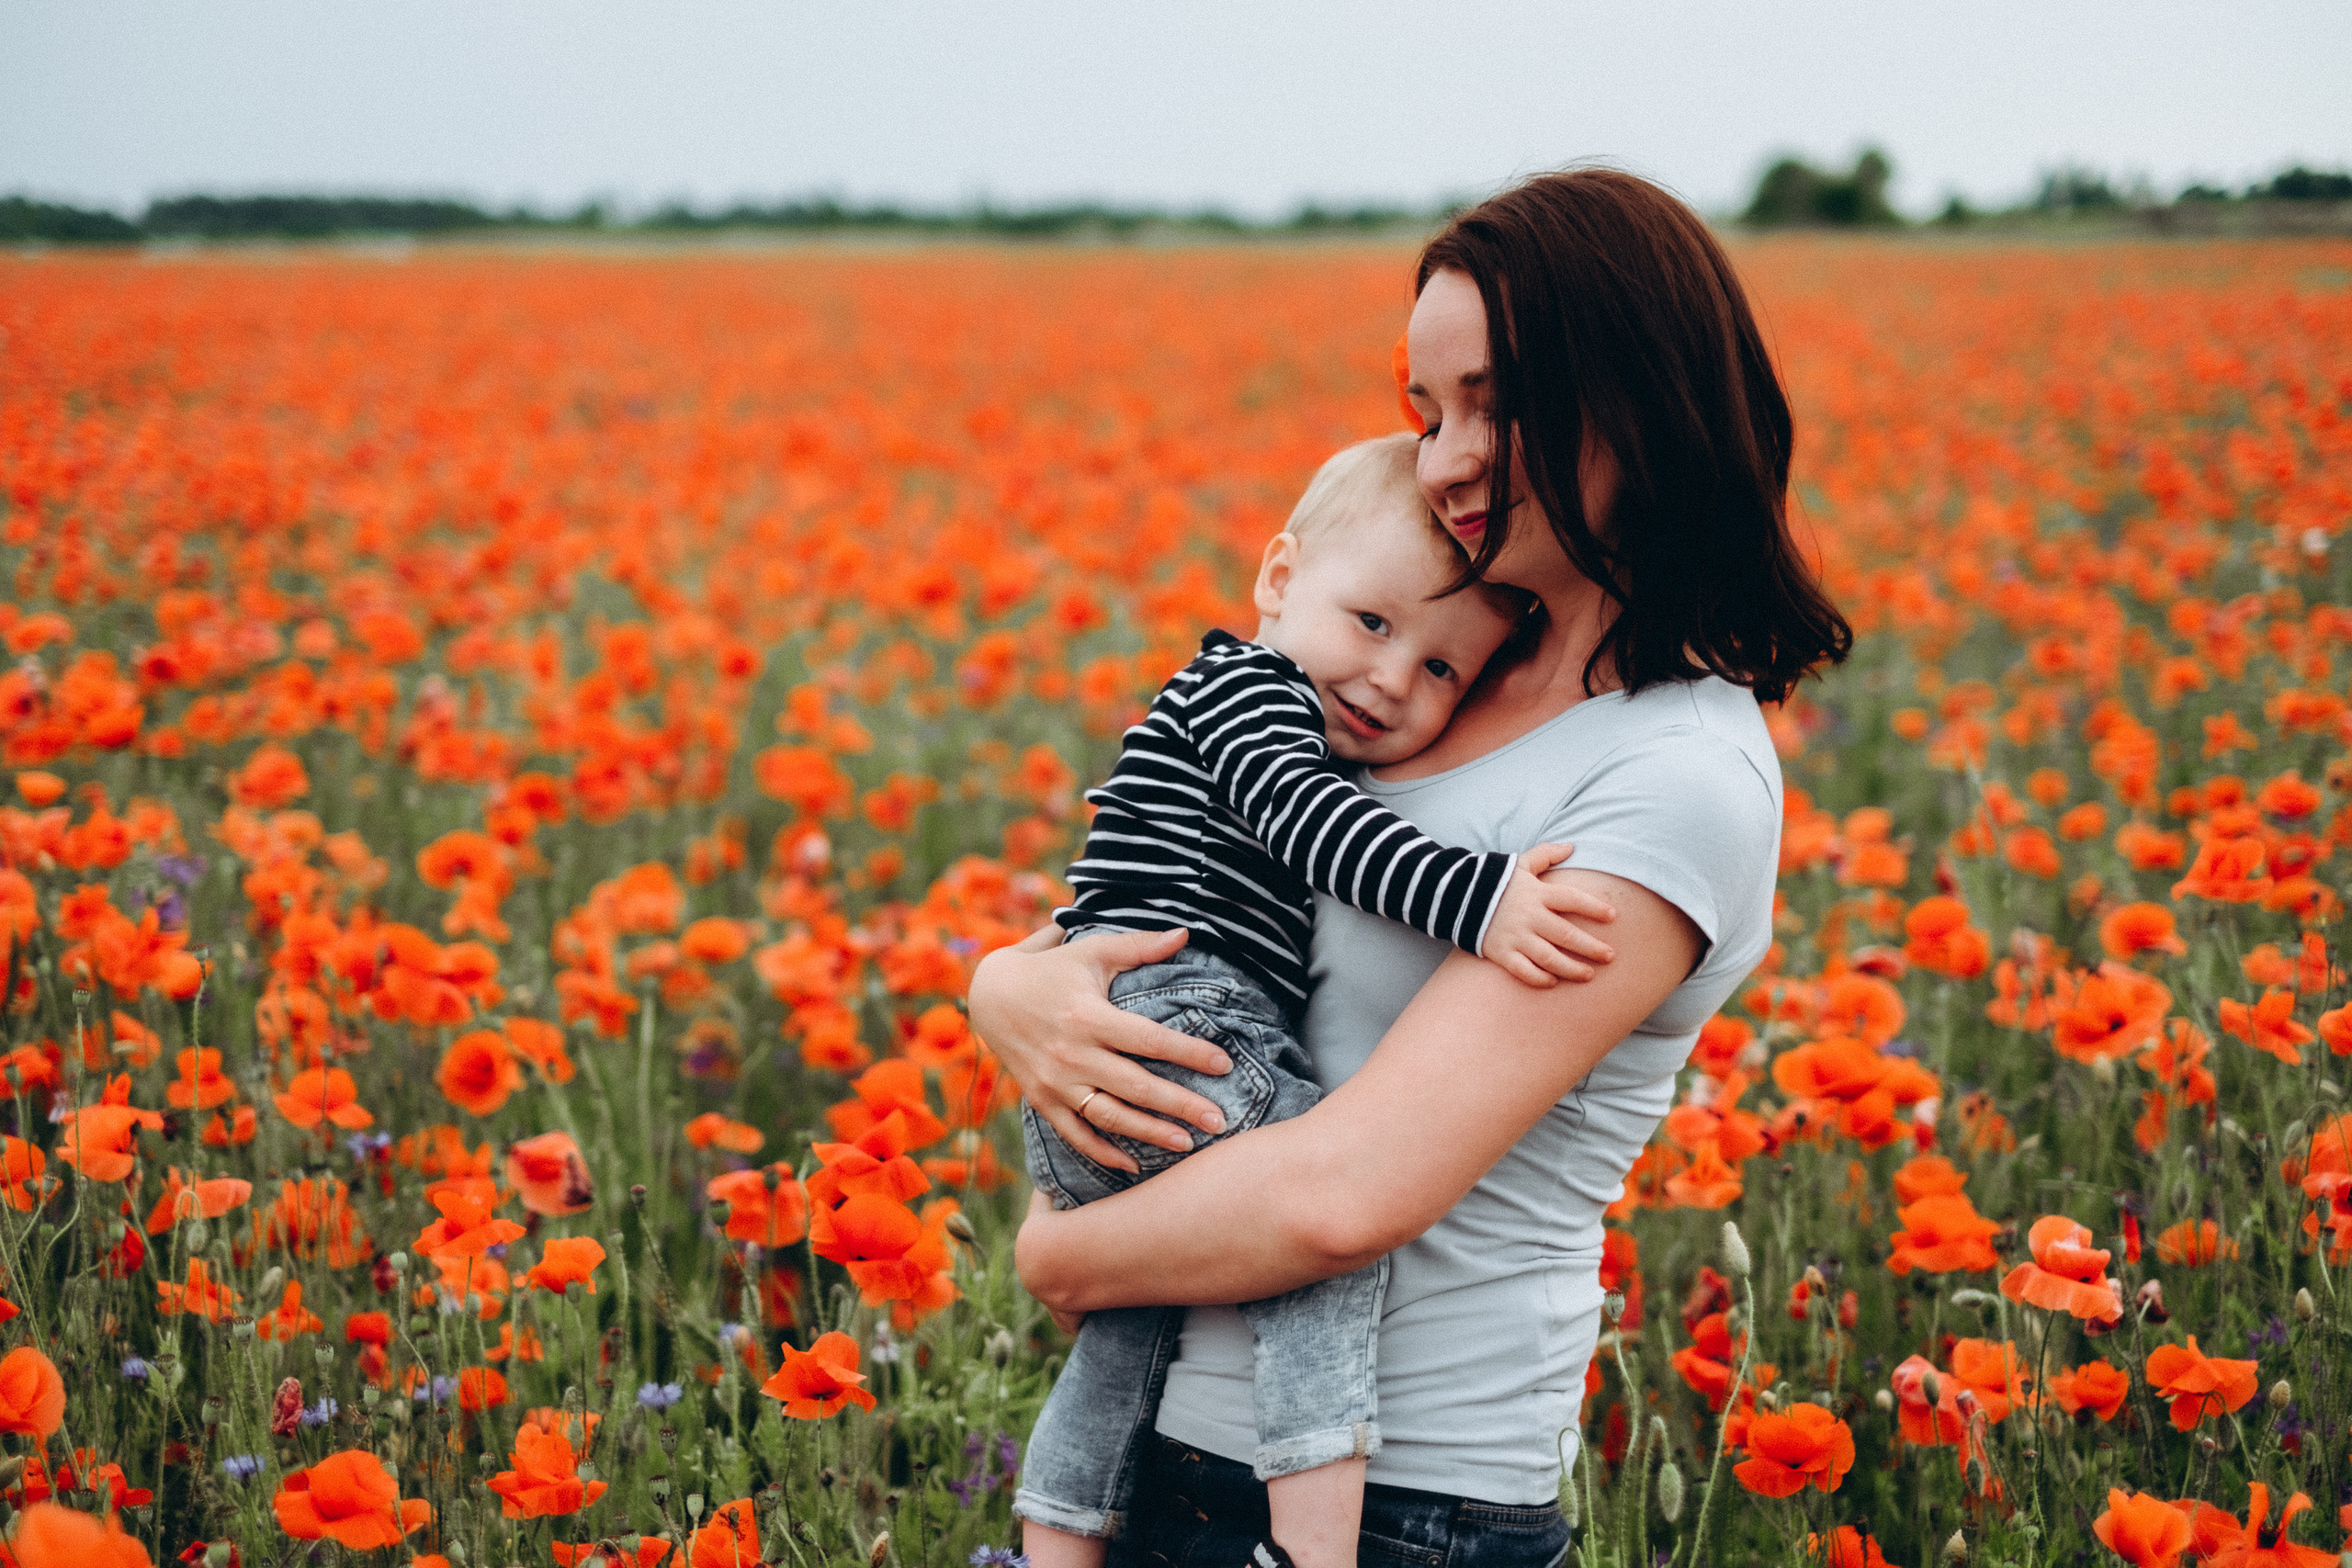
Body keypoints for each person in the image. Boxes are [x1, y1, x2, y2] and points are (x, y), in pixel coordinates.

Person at [970, 166, 1852, 1566]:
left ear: (1639, 390)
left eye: (1494, 401)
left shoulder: (1678, 773)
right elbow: (1195, 915)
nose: (1447, 454)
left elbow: (1343, 1197)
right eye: (1426, 409)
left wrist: (1056, 1253)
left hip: (1402, 1506)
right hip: (1173, 1462)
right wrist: (1010, 984)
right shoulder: (1412, 684)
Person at [1017, 433, 1618, 1568]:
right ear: (1280, 580)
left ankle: (1057, 1536)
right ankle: (1313, 1549)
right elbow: (1311, 825)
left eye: (1444, 669)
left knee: (1133, 1321)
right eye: (1374, 625)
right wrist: (1481, 901)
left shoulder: (1265, 710)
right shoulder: (1246, 690)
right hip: (1182, 1022)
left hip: (1133, 1049)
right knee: (1313, 1250)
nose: (1392, 678)